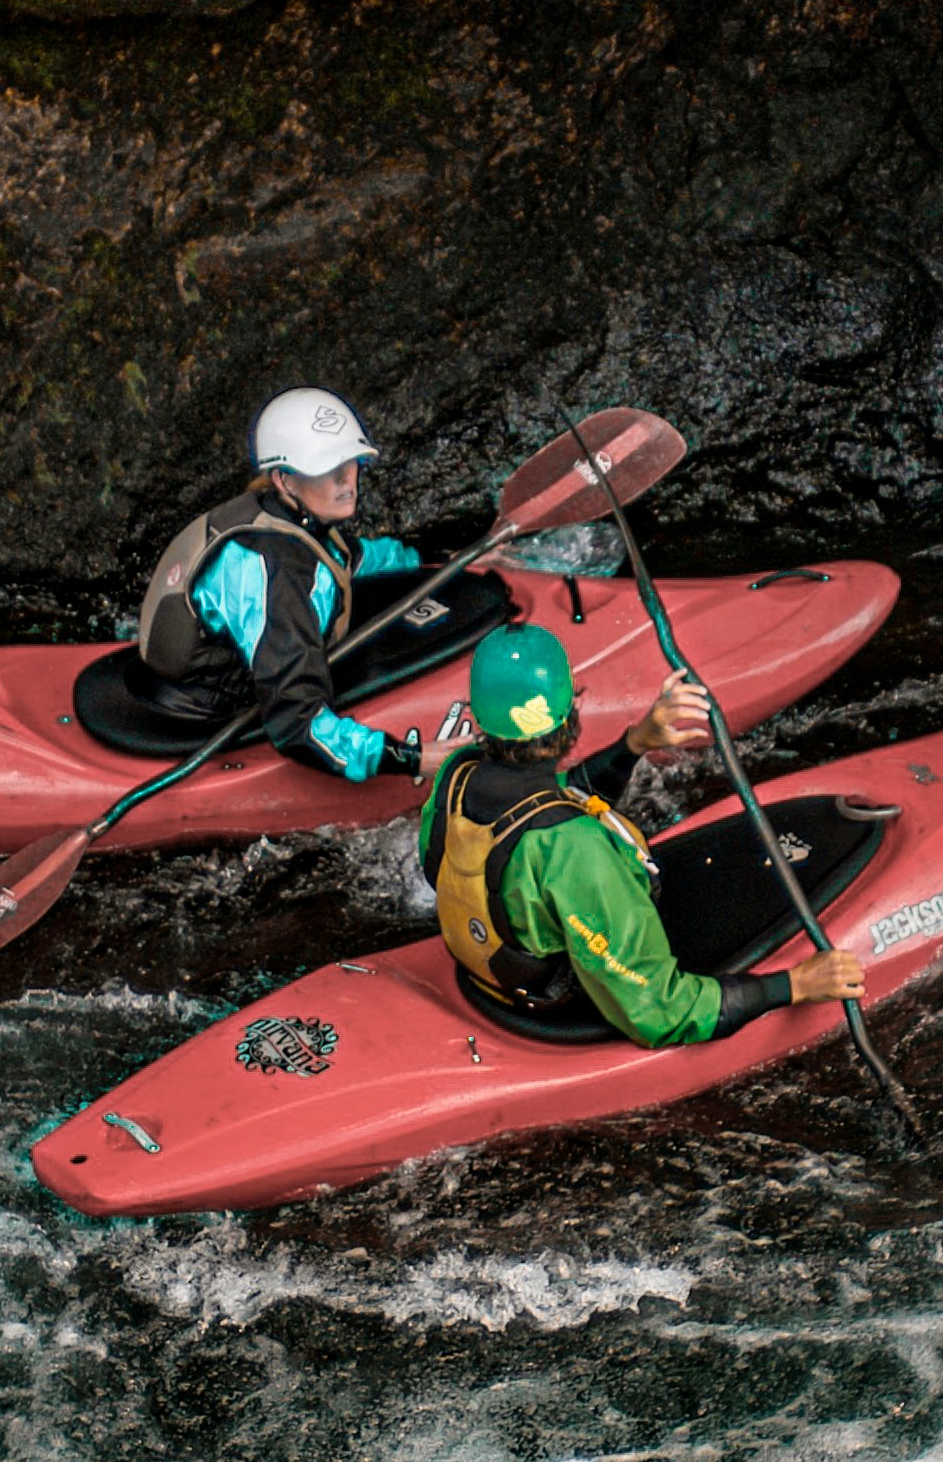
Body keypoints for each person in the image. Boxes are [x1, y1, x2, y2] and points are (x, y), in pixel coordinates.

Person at [424, 622, 866, 1046]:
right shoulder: (575, 848)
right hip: (561, 1002)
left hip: (491, 973)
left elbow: (542, 803)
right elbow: (658, 1012)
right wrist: (794, 986)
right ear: (569, 714)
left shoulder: (457, 774)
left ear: (481, 718)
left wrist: (635, 742)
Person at [128, 389, 451, 785]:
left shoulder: (286, 517)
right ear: (284, 479)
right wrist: (412, 759)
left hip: (183, 679)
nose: (346, 479)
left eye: (350, 461)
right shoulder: (277, 574)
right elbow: (299, 727)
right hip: (208, 716)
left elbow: (355, 558)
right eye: (325, 468)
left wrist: (445, 560)